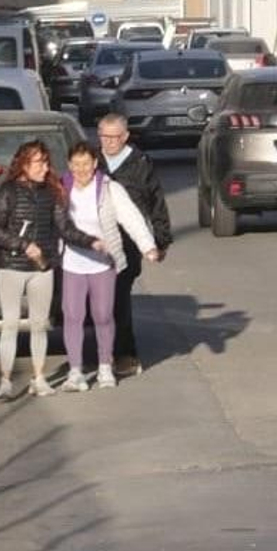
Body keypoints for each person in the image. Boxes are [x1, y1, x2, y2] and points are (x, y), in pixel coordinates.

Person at [0, 141, 104, 400]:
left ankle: (39, 378)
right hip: (12, 266)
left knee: (39, 324)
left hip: (43, 267)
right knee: (11, 324)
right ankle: (5, 380)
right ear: (24, 165)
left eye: (46, 162)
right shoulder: (8, 191)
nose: (45, 167)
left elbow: (65, 228)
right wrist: (23, 244)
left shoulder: (52, 192)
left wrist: (91, 241)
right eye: (39, 162)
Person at [57, 142, 161, 392]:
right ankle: (75, 372)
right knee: (72, 317)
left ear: (95, 164)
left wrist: (148, 246)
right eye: (76, 164)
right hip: (72, 262)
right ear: (69, 165)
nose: (81, 169)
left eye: (86, 163)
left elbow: (131, 217)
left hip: (103, 263)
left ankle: (105, 367)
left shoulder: (109, 188)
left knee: (103, 315)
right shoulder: (61, 189)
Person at [96, 113, 172, 376]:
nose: (108, 142)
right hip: (95, 242)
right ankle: (98, 353)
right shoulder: (91, 161)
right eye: (104, 136)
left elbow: (156, 202)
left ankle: (124, 354)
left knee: (118, 298)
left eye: (114, 137)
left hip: (128, 242)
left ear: (125, 136)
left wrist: (160, 240)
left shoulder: (140, 163)